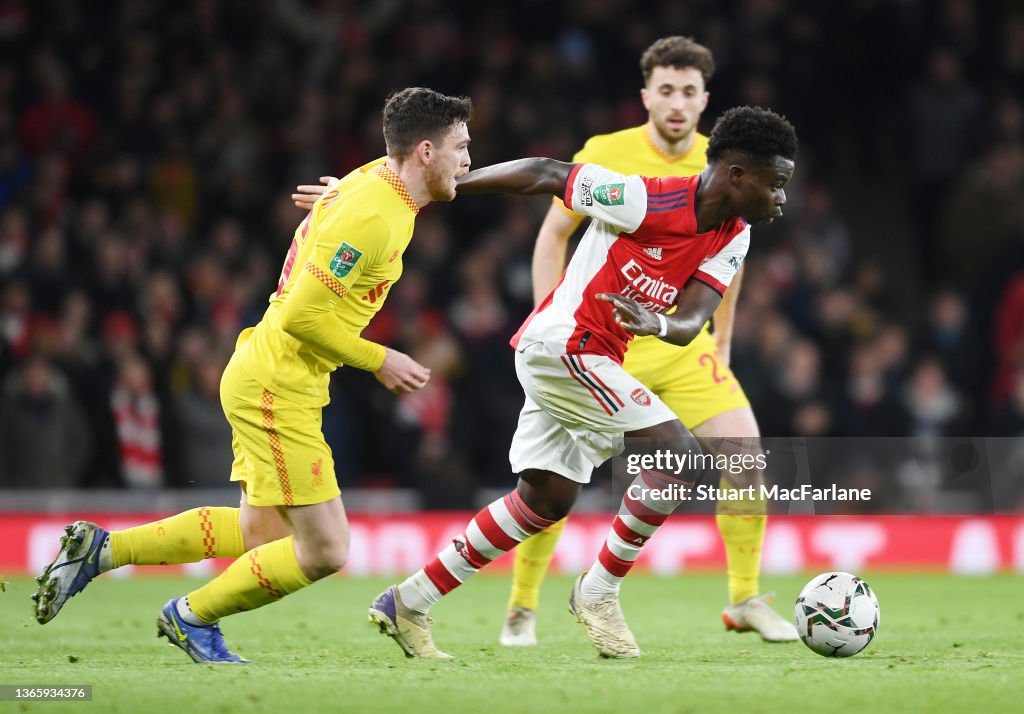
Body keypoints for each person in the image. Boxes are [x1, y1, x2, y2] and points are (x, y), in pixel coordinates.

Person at [31, 87, 473, 664]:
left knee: (262, 532)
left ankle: (102, 549)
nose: (469, 159)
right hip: (277, 384)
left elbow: (380, 188)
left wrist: (341, 197)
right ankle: (190, 616)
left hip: (272, 374)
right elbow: (300, 314)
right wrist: (379, 358)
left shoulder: (378, 184)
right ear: (423, 151)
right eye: (462, 147)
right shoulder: (373, 215)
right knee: (326, 549)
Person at [368, 105, 798, 659]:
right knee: (679, 455)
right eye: (777, 184)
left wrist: (659, 323)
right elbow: (548, 172)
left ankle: (408, 599)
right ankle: (598, 591)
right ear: (738, 175)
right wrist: (449, 185)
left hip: (593, 357)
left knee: (543, 501)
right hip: (565, 345)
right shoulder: (646, 198)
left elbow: (692, 321)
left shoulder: (733, 236)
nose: (782, 198)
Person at [502, 36, 798, 645]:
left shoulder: (726, 161)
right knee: (562, 470)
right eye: (666, 89)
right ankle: (523, 607)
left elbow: (727, 267)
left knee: (745, 458)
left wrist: (725, 341)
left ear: (704, 100)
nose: (677, 102)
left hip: (682, 342)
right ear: (646, 95)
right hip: (604, 339)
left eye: (689, 92)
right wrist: (549, 313)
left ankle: (743, 598)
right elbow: (553, 233)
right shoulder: (611, 152)